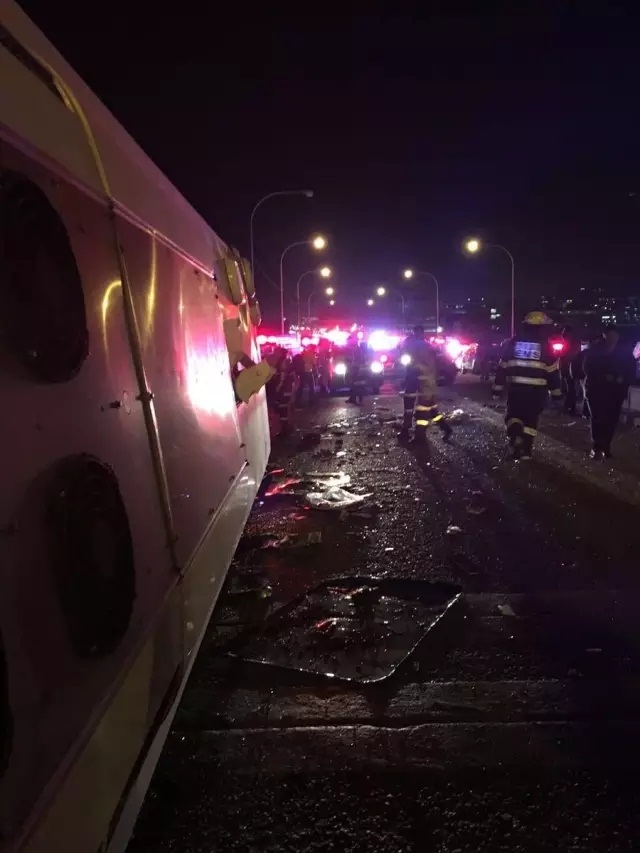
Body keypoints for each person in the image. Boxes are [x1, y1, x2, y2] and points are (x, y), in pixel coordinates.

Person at [492, 311, 562, 460]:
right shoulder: (546, 346)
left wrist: (497, 389)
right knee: (531, 420)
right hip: (536, 393)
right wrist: (557, 394)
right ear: (541, 327)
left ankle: (515, 435)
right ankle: (526, 451)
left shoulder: (513, 343)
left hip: (516, 390)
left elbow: (502, 367)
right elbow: (552, 372)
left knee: (513, 416)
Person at [583, 325, 635, 459]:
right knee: (597, 418)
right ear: (604, 335)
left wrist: (622, 378)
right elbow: (587, 367)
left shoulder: (624, 352)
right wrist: (603, 376)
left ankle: (606, 445)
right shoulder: (595, 350)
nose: (612, 338)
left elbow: (631, 369)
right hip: (596, 390)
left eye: (614, 335)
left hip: (615, 392)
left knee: (611, 420)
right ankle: (597, 446)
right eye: (609, 335)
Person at [399, 325, 452, 444]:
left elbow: (425, 367)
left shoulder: (425, 348)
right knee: (431, 410)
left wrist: (415, 371)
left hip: (424, 384)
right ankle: (446, 428)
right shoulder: (419, 347)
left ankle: (419, 437)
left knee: (422, 411)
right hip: (422, 383)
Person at [559, 325, 582, 415]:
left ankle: (569, 408)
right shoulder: (570, 342)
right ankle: (569, 408)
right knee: (570, 388)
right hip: (568, 367)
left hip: (569, 367)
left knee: (570, 388)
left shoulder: (571, 343)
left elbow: (571, 355)